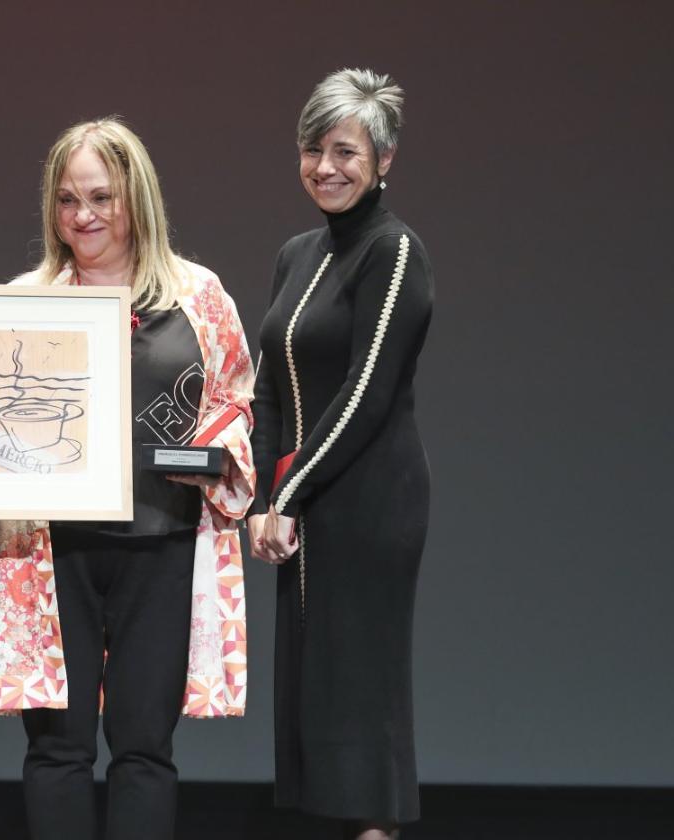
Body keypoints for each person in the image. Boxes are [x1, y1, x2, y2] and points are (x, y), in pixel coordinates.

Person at [0, 117, 255, 840]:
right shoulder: (27, 298)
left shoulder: (199, 296)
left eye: (101, 197)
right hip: (50, 554)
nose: (83, 216)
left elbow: (237, 400)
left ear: (136, 199)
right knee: (57, 747)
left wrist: (207, 451)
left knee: (146, 748)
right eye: (66, 200)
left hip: (166, 544)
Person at [247, 69, 433, 840]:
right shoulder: (298, 254)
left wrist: (284, 499)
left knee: (359, 684)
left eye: (346, 150)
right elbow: (267, 390)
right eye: (312, 149)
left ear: (383, 159)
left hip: (366, 504)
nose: (326, 166)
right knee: (316, 689)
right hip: (301, 505)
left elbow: (364, 397)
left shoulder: (393, 253)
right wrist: (262, 499)